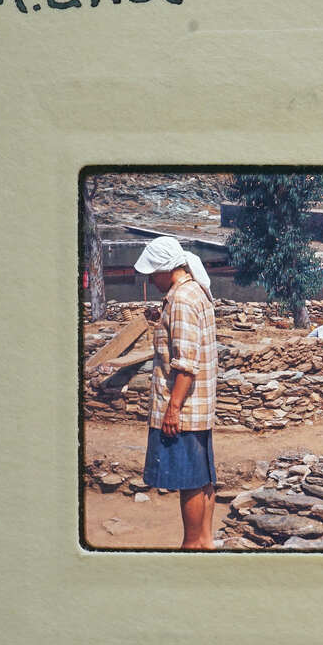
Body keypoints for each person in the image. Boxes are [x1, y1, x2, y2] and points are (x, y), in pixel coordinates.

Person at [133, 236, 218, 550]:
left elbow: (185, 364)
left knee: (188, 481)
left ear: (167, 269)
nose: (151, 280)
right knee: (202, 477)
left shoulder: (181, 300)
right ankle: (206, 540)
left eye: (153, 273)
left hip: (185, 407)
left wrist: (173, 408)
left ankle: (192, 544)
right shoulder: (194, 291)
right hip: (200, 407)